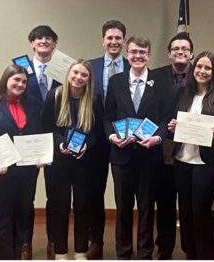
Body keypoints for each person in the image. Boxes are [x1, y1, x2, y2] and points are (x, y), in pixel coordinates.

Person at [104, 36, 172, 259]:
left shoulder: (160, 81)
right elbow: (107, 117)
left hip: (149, 156)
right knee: (123, 209)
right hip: (121, 156)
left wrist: (158, 139)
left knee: (146, 208)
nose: (138, 56)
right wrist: (113, 136)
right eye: (133, 52)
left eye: (142, 52)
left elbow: (165, 119)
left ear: (149, 55)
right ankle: (123, 253)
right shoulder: (116, 82)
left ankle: (144, 254)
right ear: (127, 54)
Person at [0, 65, 43, 259]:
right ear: (6, 79)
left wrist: (41, 155)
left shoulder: (32, 104)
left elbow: (37, 134)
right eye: (16, 80)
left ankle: (17, 255)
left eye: (23, 81)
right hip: (1, 171)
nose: (20, 84)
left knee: (23, 214)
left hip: (27, 170)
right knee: (4, 216)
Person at [168, 51, 214, 259]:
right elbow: (172, 123)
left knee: (200, 210)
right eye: (199, 67)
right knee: (184, 211)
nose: (202, 71)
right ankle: (190, 253)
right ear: (193, 70)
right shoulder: (182, 93)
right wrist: (172, 126)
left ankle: (208, 255)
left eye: (208, 68)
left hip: (207, 162)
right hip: (182, 160)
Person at [41, 59, 104, 260]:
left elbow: (97, 131)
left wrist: (87, 145)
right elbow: (46, 127)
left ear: (89, 79)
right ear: (68, 74)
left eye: (83, 75)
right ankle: (60, 251)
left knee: (82, 206)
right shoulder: (55, 95)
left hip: (84, 162)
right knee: (60, 206)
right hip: (58, 162)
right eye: (75, 73)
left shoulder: (93, 99)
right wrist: (59, 143)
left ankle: (80, 251)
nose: (78, 77)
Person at [87, 20, 130, 259]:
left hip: (123, 139)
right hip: (95, 139)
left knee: (122, 194)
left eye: (118, 38)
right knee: (95, 192)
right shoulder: (90, 67)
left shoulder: (131, 65)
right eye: (109, 38)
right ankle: (96, 241)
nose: (114, 42)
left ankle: (123, 246)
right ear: (103, 40)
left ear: (124, 41)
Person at [151, 33, 194, 259]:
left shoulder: (200, 75)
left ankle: (190, 249)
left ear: (191, 54)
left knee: (187, 204)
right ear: (169, 53)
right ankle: (165, 249)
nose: (180, 52)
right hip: (163, 148)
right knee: (165, 202)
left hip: (191, 149)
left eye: (185, 49)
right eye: (176, 48)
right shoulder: (155, 76)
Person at [25, 25, 62, 259]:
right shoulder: (20, 69)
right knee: (25, 196)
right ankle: (24, 243)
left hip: (54, 140)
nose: (43, 41)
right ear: (32, 43)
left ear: (54, 44)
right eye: (39, 38)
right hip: (26, 141)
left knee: (56, 195)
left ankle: (54, 242)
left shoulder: (64, 71)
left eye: (48, 38)